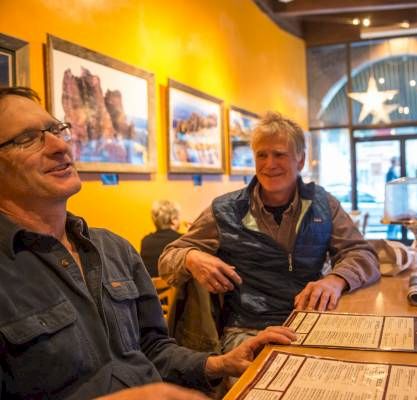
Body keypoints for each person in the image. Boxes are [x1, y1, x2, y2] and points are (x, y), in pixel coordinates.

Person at [0, 87, 296, 399]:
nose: (60, 145)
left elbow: (153, 349)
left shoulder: (115, 249)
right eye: (27, 138)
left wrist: (218, 364)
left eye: (57, 129)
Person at [159, 111, 380, 354]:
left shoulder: (324, 204)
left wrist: (335, 281)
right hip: (247, 331)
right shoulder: (224, 210)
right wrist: (191, 257)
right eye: (261, 155)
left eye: (279, 154)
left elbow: (362, 253)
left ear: (301, 160)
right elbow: (168, 259)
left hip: (311, 321)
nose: (269, 164)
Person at [141, 200, 182, 277]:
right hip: (174, 288)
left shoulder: (145, 241)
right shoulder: (181, 239)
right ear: (173, 219)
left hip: (152, 288)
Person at [385, 156, 400, 239]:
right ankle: (391, 239)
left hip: (395, 200)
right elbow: (390, 186)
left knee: (395, 222)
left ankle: (393, 238)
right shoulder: (390, 172)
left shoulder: (393, 171)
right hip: (393, 200)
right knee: (393, 221)